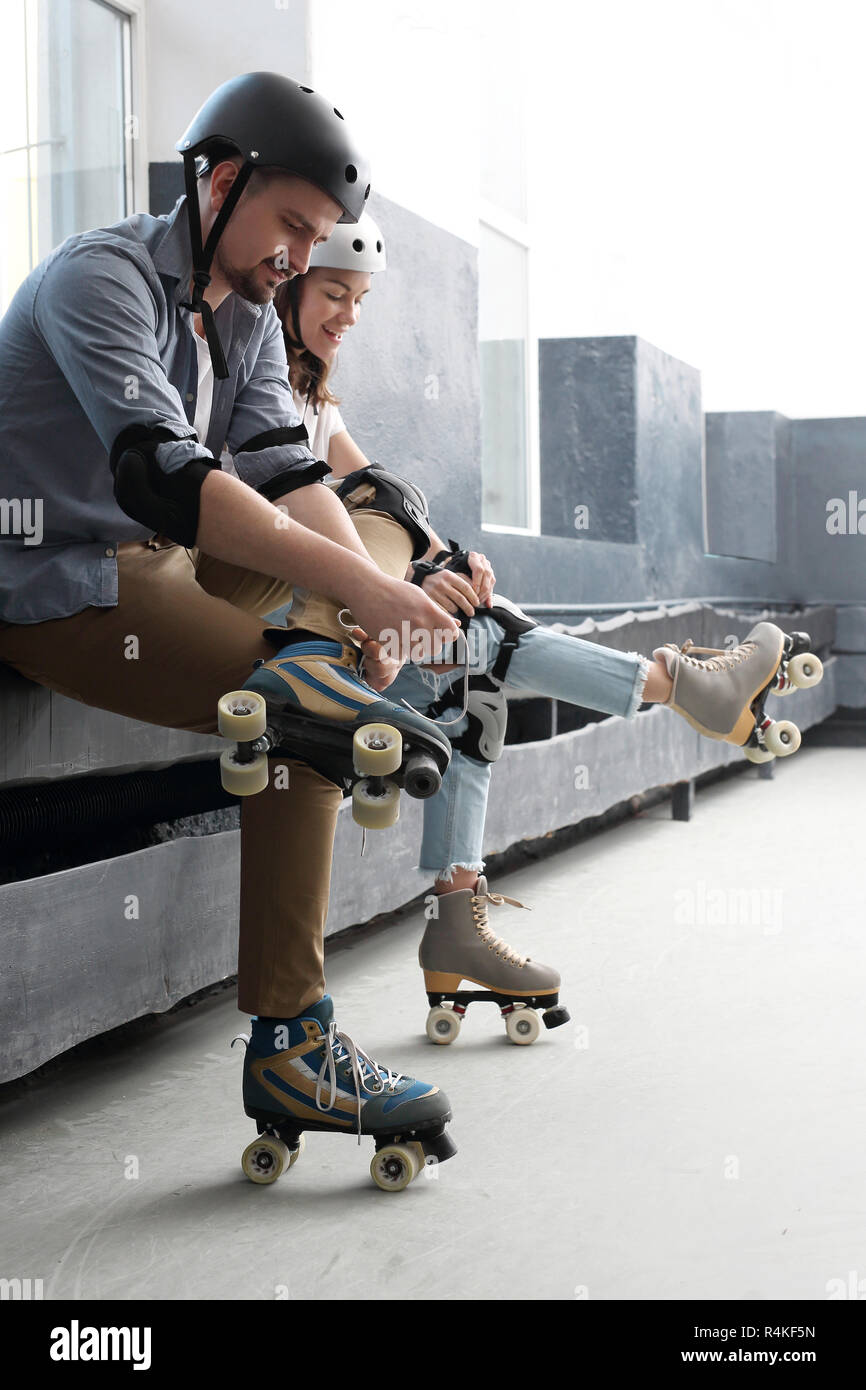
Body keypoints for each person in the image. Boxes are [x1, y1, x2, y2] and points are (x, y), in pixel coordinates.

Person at [0, 73, 460, 1190]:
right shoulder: (98, 277)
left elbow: (291, 472)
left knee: (342, 607)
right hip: (59, 579)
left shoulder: (249, 313)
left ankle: (291, 1048)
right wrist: (361, 600)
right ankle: (297, 1044)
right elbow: (168, 478)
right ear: (218, 183)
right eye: (290, 225)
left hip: (170, 565)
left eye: (318, 236)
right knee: (308, 699)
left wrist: (364, 596)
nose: (302, 257)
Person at [270, 211, 824, 1045]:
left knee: (474, 676)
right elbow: (318, 536)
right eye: (332, 295)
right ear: (290, 290)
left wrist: (451, 560)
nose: (348, 315)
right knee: (477, 657)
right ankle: (680, 685)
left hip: (364, 623)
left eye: (360, 300)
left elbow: (378, 499)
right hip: (305, 641)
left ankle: (458, 917)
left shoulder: (317, 403)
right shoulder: (260, 396)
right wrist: (423, 584)